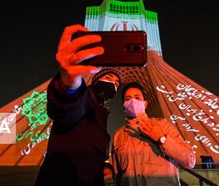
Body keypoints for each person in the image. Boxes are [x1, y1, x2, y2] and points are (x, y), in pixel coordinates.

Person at [34, 24, 121, 186]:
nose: (114, 85)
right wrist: (69, 83)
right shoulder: (85, 96)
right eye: (109, 78)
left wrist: (105, 166)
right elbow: (67, 108)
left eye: (117, 83)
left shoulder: (102, 112)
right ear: (96, 79)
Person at [109, 82, 196, 186]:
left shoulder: (162, 125)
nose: (132, 101)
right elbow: (115, 175)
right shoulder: (118, 136)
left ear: (145, 103)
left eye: (137, 97)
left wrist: (162, 139)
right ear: (123, 106)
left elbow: (190, 160)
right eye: (128, 99)